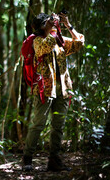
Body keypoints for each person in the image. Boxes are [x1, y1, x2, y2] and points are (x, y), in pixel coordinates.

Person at [22, 12, 85, 171]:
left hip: (63, 90)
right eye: (47, 23)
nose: (51, 24)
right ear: (41, 27)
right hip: (44, 90)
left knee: (58, 126)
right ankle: (27, 159)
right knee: (38, 124)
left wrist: (68, 26)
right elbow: (45, 47)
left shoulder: (59, 42)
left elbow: (79, 43)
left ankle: (54, 160)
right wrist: (53, 28)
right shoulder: (37, 41)